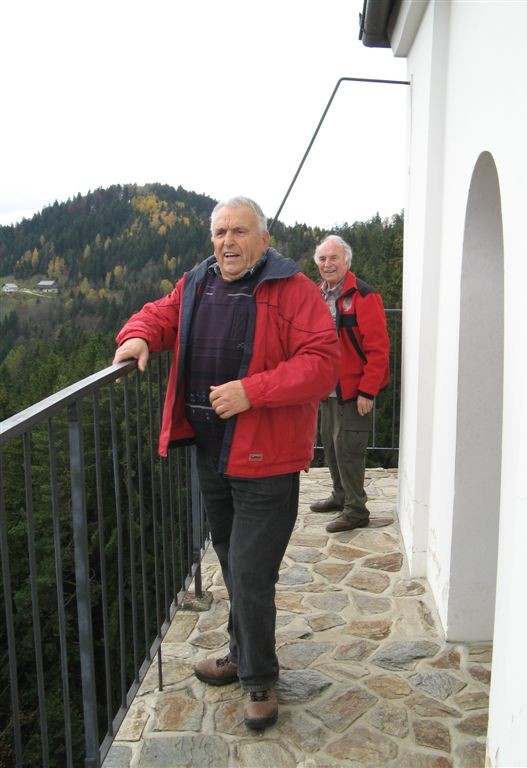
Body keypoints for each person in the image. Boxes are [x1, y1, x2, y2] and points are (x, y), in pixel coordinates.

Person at [113, 197, 339, 730]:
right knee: (230, 558)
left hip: (266, 457)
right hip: (213, 452)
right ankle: (241, 653)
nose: (227, 242)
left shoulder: (294, 289)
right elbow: (160, 313)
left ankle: (258, 678)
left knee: (251, 570)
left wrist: (252, 391)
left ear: (264, 239)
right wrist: (137, 335)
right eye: (219, 232)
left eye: (238, 231)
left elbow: (322, 364)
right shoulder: (198, 281)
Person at [310, 234, 390, 533]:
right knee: (331, 447)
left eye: (334, 258)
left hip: (354, 391)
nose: (327, 264)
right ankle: (340, 495)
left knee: (349, 450)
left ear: (346, 261)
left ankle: (356, 510)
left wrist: (368, 390)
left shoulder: (363, 296)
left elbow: (378, 349)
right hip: (327, 389)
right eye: (322, 259)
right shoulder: (318, 294)